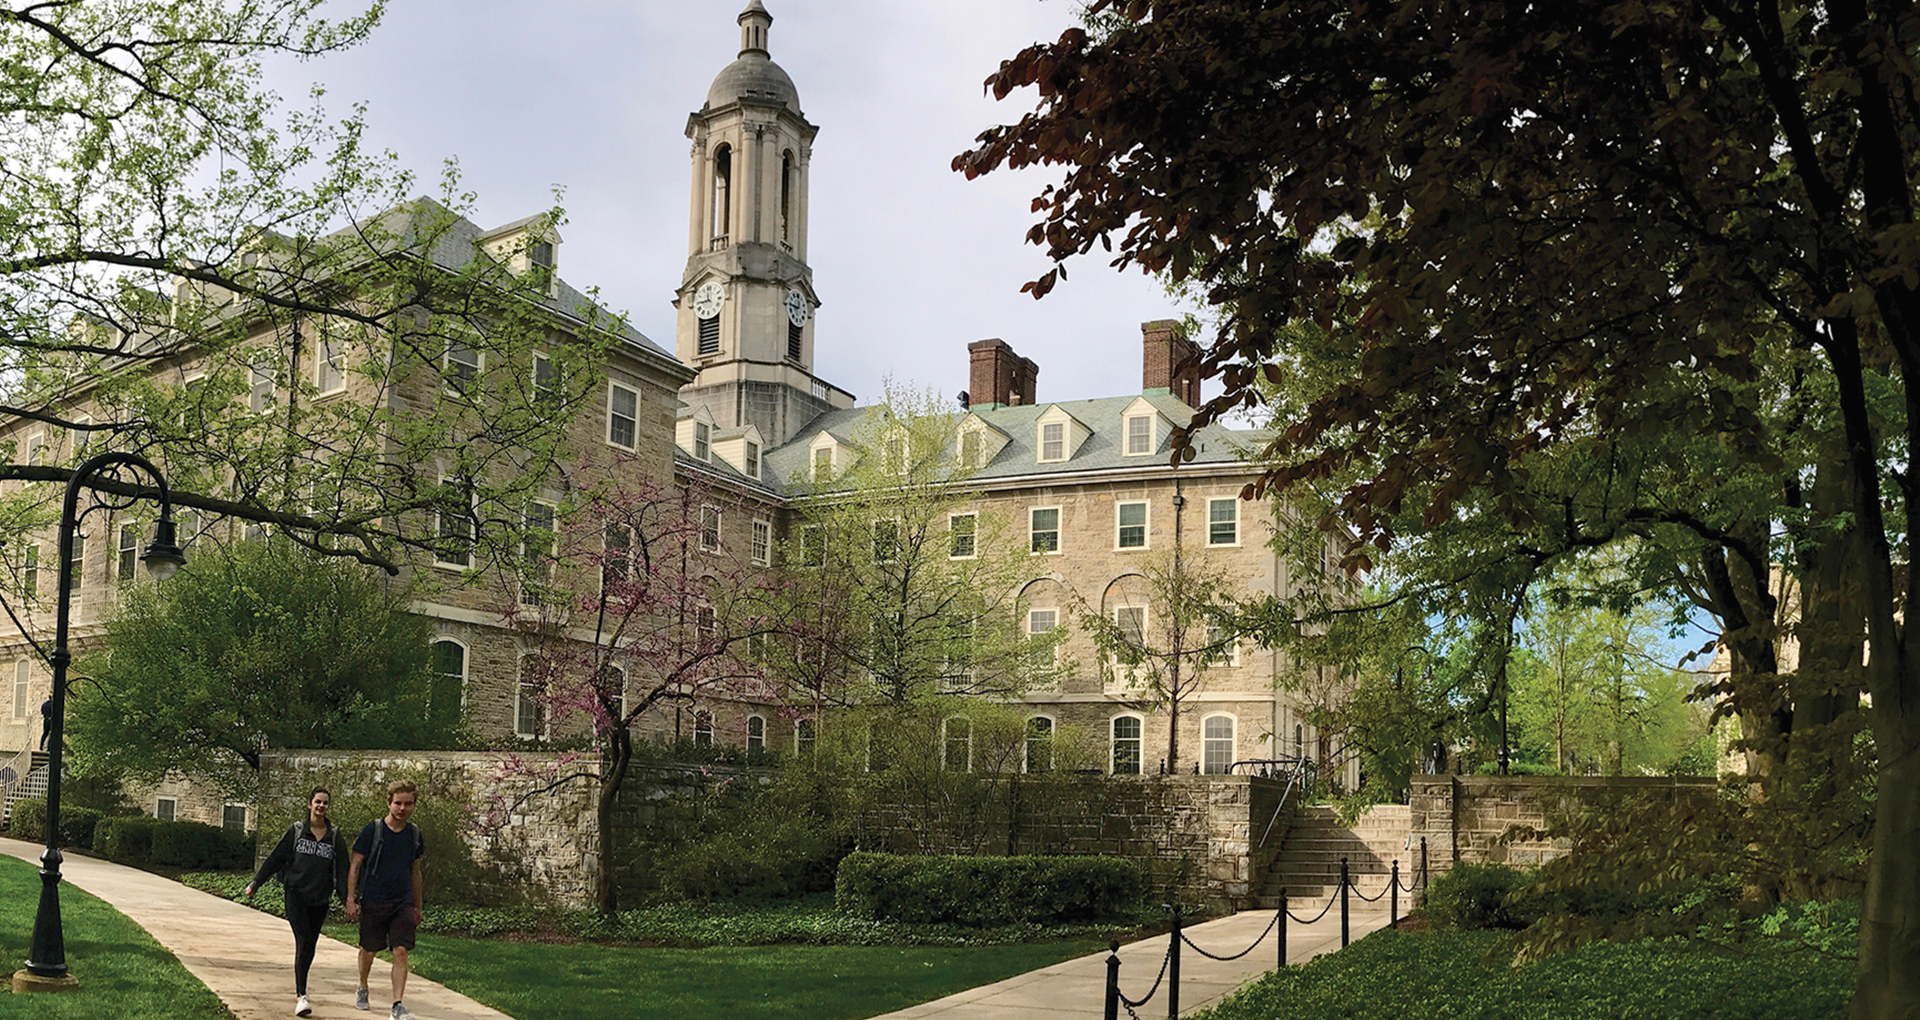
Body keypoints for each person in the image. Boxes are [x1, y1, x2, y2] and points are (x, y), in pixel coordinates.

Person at [246, 787, 349, 1018]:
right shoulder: (297, 831)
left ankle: (302, 989)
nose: (321, 806)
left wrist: (347, 899)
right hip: (296, 896)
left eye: (325, 803)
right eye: (317, 802)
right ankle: (301, 996)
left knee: (310, 945)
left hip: (320, 898)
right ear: (309, 804)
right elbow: (275, 859)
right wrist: (256, 883)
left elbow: (343, 869)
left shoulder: (334, 836)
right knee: (303, 940)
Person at [346, 779, 425, 1020]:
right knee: (369, 950)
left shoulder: (414, 834)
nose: (402, 808)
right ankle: (362, 985)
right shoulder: (373, 830)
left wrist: (418, 905)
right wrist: (351, 898)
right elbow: (355, 866)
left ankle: (397, 1004)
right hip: (374, 899)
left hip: (403, 901)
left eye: (408, 804)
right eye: (398, 803)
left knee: (400, 951)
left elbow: (415, 870)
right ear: (389, 803)